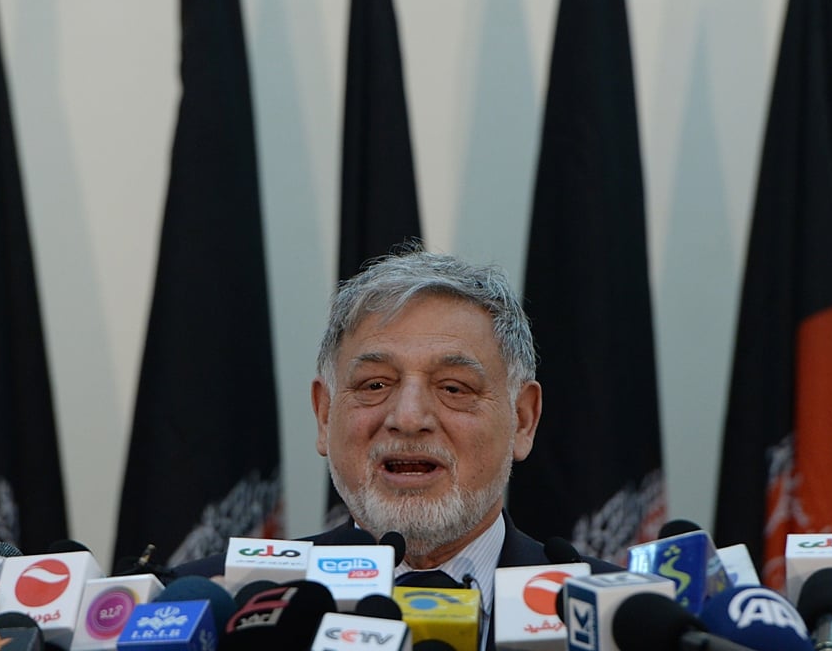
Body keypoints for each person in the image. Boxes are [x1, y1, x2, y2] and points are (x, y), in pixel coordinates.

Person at [179, 249, 619, 648]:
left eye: (453, 387)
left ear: (523, 420)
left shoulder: (621, 618)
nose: (408, 418)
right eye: (374, 385)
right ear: (325, 415)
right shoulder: (206, 609)